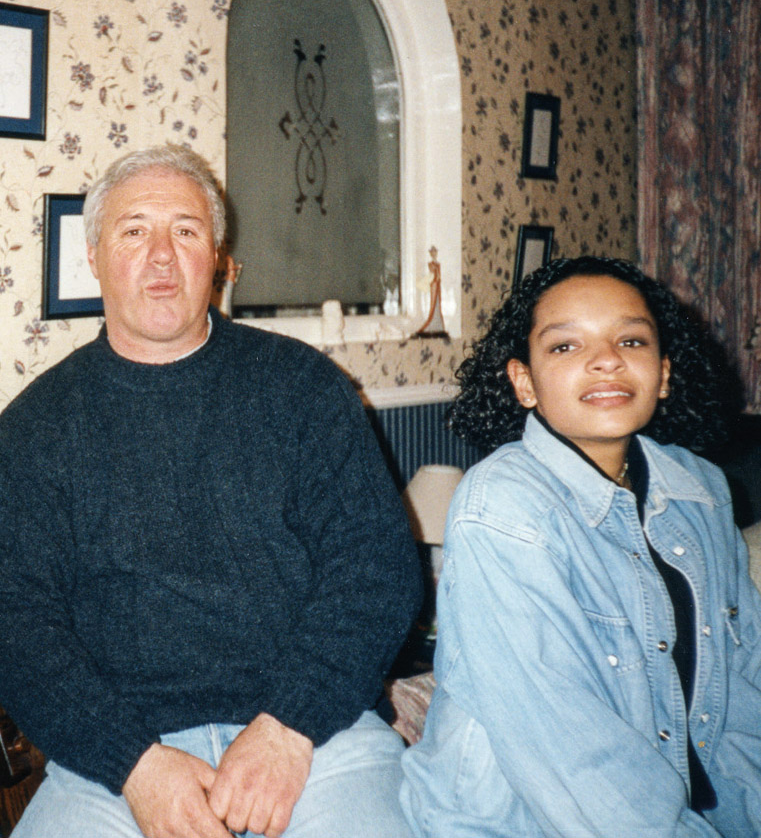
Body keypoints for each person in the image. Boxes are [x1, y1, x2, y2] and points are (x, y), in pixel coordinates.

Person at [0, 144, 421, 838]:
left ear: (218, 260)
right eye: (134, 230)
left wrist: (289, 726)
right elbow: (17, 628)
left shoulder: (304, 389)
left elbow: (373, 569)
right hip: (117, 763)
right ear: (95, 255)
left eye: (186, 231)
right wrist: (135, 764)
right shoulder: (31, 432)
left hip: (315, 737)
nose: (161, 255)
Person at [400, 255, 761, 836]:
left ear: (664, 373)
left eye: (632, 340)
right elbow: (573, 759)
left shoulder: (703, 493)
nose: (607, 360)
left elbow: (745, 692)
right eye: (566, 347)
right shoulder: (502, 509)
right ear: (524, 382)